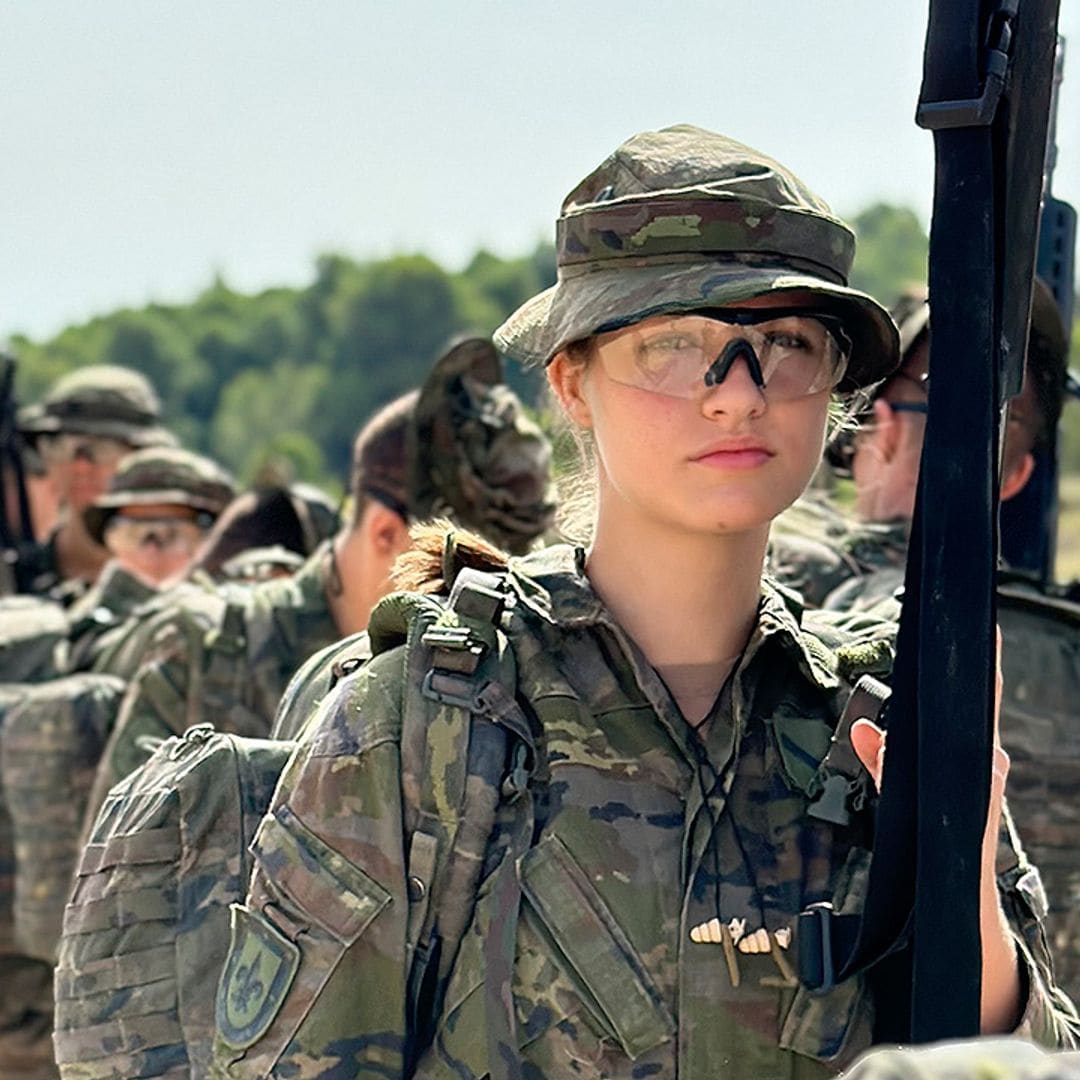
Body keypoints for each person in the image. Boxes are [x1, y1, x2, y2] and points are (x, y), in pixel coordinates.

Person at [208, 126, 1077, 1079]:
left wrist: (965, 882)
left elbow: (1033, 1061)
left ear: (833, 388)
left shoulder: (874, 727)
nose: (737, 396)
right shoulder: (424, 728)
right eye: (675, 344)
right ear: (573, 382)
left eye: (784, 343)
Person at [81, 335, 554, 820]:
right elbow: (117, 875)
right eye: (464, 579)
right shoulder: (206, 655)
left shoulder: (504, 668)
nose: (487, 610)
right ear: (386, 534)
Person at [15, 365, 176, 598]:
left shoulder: (177, 577)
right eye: (61, 447)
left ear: (143, 458)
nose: (80, 466)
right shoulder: (14, 580)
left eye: (102, 448)